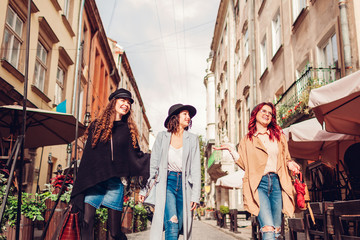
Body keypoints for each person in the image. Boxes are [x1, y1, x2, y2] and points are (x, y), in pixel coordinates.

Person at [71, 88, 150, 240]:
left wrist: (155, 158)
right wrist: (81, 183)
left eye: (128, 102)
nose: (126, 104)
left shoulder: (128, 130)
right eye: (123, 100)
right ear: (114, 102)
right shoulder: (97, 126)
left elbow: (135, 156)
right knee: (87, 222)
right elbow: (88, 157)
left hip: (114, 184)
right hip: (95, 182)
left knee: (115, 232)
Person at [214, 102, 300, 240]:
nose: (267, 114)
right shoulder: (247, 140)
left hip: (278, 184)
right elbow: (244, 164)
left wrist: (290, 163)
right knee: (268, 229)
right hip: (259, 185)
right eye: (264, 111)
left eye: (270, 113)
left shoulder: (279, 137)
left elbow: (286, 158)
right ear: (255, 114)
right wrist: (231, 150)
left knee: (277, 230)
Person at [139, 104, 201, 240]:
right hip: (167, 183)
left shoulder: (192, 139)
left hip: (185, 187)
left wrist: (196, 195)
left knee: (178, 227)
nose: (188, 117)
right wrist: (145, 190)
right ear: (175, 117)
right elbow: (153, 166)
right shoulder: (162, 137)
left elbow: (196, 169)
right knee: (172, 224)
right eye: (185, 114)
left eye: (189, 115)